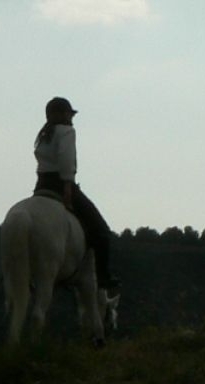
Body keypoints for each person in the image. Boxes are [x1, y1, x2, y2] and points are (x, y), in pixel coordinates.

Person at [34, 97, 119, 289]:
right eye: (69, 114)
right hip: (61, 184)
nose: (71, 118)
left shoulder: (43, 135)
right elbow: (66, 159)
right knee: (101, 230)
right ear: (63, 115)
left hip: (41, 186)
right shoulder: (67, 132)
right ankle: (103, 276)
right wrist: (67, 186)